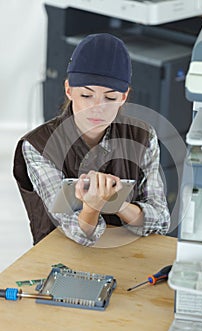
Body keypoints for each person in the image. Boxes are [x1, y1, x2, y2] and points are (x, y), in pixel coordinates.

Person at [13, 33, 170, 245]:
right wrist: (93, 207)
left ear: (123, 97)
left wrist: (117, 204)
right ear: (69, 90)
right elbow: (75, 231)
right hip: (58, 258)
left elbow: (160, 220)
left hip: (128, 255)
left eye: (110, 97)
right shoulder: (38, 146)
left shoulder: (143, 136)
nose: (97, 108)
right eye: (86, 96)